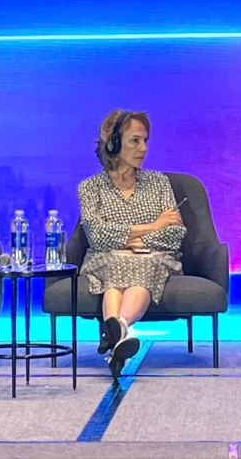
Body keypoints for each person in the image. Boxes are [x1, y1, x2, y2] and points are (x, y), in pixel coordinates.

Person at [77, 110, 187, 378]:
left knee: (140, 266)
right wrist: (154, 225)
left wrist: (126, 238)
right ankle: (121, 332)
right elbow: (96, 236)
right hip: (106, 260)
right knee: (115, 265)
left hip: (153, 258)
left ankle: (115, 331)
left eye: (146, 140)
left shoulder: (159, 183)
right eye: (135, 141)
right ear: (114, 143)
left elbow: (175, 234)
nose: (143, 148)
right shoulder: (90, 188)